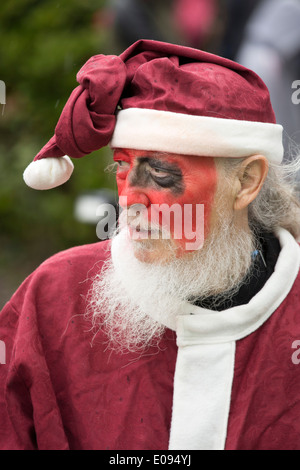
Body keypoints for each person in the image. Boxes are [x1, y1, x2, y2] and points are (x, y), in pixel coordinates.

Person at [1, 39, 300, 451]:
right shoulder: (54, 297)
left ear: (246, 182)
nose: (130, 200)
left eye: (160, 172)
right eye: (123, 166)